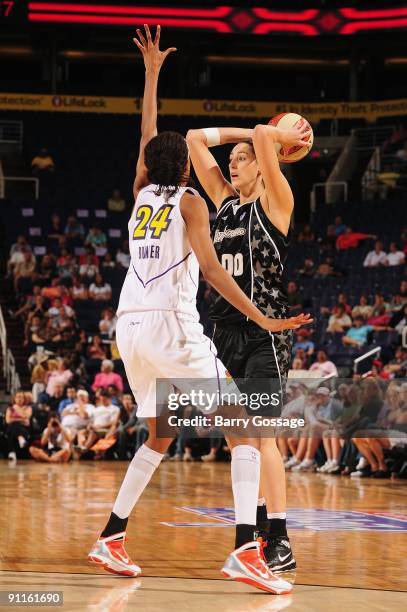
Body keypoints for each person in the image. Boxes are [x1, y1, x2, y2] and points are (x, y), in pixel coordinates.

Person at [88, 25, 310, 594]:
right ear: (186, 171)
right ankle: (245, 548)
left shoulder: (140, 193)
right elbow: (210, 271)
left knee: (161, 433)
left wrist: (152, 74)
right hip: (174, 328)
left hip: (128, 327)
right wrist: (262, 317)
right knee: (242, 428)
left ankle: (111, 535)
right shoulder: (191, 201)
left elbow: (149, 140)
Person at [186, 65, 312, 572]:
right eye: (231, 160)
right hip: (223, 334)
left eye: (243, 161)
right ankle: (259, 525)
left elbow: (262, 136)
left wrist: (275, 137)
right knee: (240, 439)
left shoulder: (277, 201)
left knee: (262, 434)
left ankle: (280, 538)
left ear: (265, 166)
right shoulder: (223, 204)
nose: (234, 164)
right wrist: (254, 137)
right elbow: (195, 138)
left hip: (266, 334)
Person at [5, 391, 32, 463]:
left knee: (13, 426)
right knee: (14, 425)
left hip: (24, 430)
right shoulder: (10, 408)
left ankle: (12, 452)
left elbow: (27, 417)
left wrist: (17, 409)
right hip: (12, 428)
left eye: (22, 397)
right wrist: (20, 419)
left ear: (24, 399)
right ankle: (20, 438)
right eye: (18, 397)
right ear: (15, 398)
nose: (20, 399)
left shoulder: (28, 408)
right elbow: (8, 421)